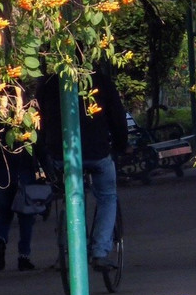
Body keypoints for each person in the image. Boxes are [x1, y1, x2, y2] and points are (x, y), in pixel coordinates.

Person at [36, 66, 129, 269]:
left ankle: (68, 247)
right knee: (107, 196)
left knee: (69, 195)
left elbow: (39, 121)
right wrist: (121, 145)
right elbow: (117, 115)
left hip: (60, 153)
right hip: (97, 151)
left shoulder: (48, 83)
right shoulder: (99, 80)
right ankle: (100, 251)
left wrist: (45, 153)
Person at [0, 131, 39, 272]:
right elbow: (38, 146)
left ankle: (1, 239)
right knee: (26, 216)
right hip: (23, 173)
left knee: (4, 212)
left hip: (1, 174)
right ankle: (24, 256)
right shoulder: (26, 125)